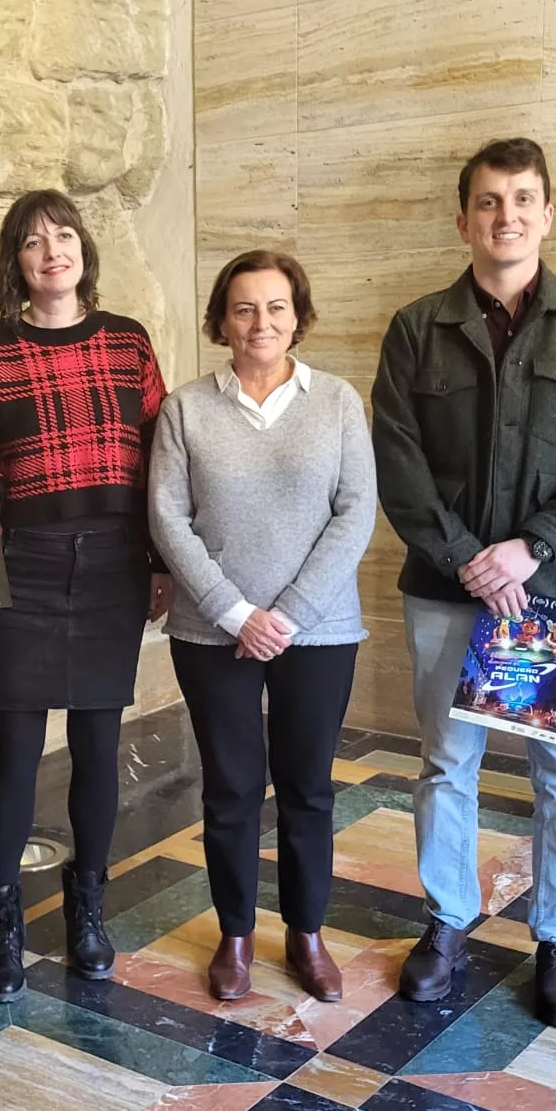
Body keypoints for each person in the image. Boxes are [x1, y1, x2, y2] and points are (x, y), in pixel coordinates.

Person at [373, 137, 556, 1030]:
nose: (507, 216)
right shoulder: (418, 328)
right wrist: (466, 558)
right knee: (446, 764)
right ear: (464, 219)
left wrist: (532, 546)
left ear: (548, 213)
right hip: (448, 592)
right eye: (489, 202)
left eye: (523, 199)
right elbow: (399, 463)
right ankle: (447, 922)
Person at [0, 189, 172, 1004]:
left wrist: (159, 563)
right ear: (14, 263)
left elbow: (160, 462)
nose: (53, 250)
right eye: (32, 241)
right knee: (13, 751)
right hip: (22, 567)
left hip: (114, 561)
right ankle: (6, 926)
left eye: (64, 235)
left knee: (95, 743)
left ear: (84, 249)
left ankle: (87, 912)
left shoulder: (127, 343)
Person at [150, 251, 375, 1005]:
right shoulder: (186, 408)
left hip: (319, 631)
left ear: (298, 316)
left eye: (276, 307)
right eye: (244, 309)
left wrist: (290, 614)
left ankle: (307, 936)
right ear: (222, 320)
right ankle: (236, 935)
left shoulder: (338, 401)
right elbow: (168, 519)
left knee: (308, 788)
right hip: (214, 632)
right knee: (233, 787)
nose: (261, 323)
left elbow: (355, 514)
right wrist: (237, 613)